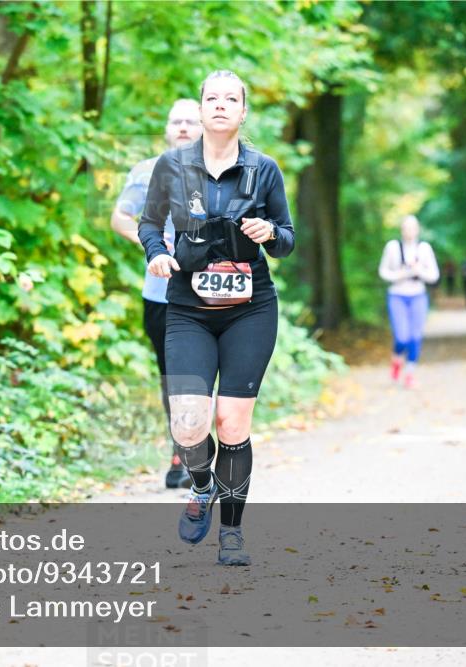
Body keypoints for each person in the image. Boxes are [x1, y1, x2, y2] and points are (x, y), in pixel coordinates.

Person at [138, 70, 295, 566]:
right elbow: (147, 223)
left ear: (243, 111)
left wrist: (269, 232)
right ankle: (201, 485)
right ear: (201, 109)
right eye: (212, 98)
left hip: (250, 310)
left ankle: (231, 533)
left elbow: (288, 240)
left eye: (231, 99)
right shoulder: (172, 166)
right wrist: (157, 253)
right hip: (187, 307)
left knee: (231, 422)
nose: (221, 105)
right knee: (188, 422)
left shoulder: (264, 169)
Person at [111, 99, 202, 490]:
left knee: (201, 374)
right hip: (160, 294)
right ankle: (180, 454)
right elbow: (120, 217)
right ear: (166, 128)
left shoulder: (219, 170)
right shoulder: (146, 171)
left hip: (207, 291)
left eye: (190, 121)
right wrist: (153, 247)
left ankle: (201, 452)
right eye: (176, 121)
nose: (182, 127)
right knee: (173, 377)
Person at [378, 215, 439, 389]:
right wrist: (401, 274)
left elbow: (434, 276)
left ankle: (410, 373)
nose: (409, 232)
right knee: (401, 337)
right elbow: (383, 272)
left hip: (418, 295)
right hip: (397, 295)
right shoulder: (393, 247)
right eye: (406, 228)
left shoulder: (424, 249)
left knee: (415, 336)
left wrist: (419, 271)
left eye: (413, 228)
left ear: (417, 229)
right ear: (402, 230)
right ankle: (397, 358)